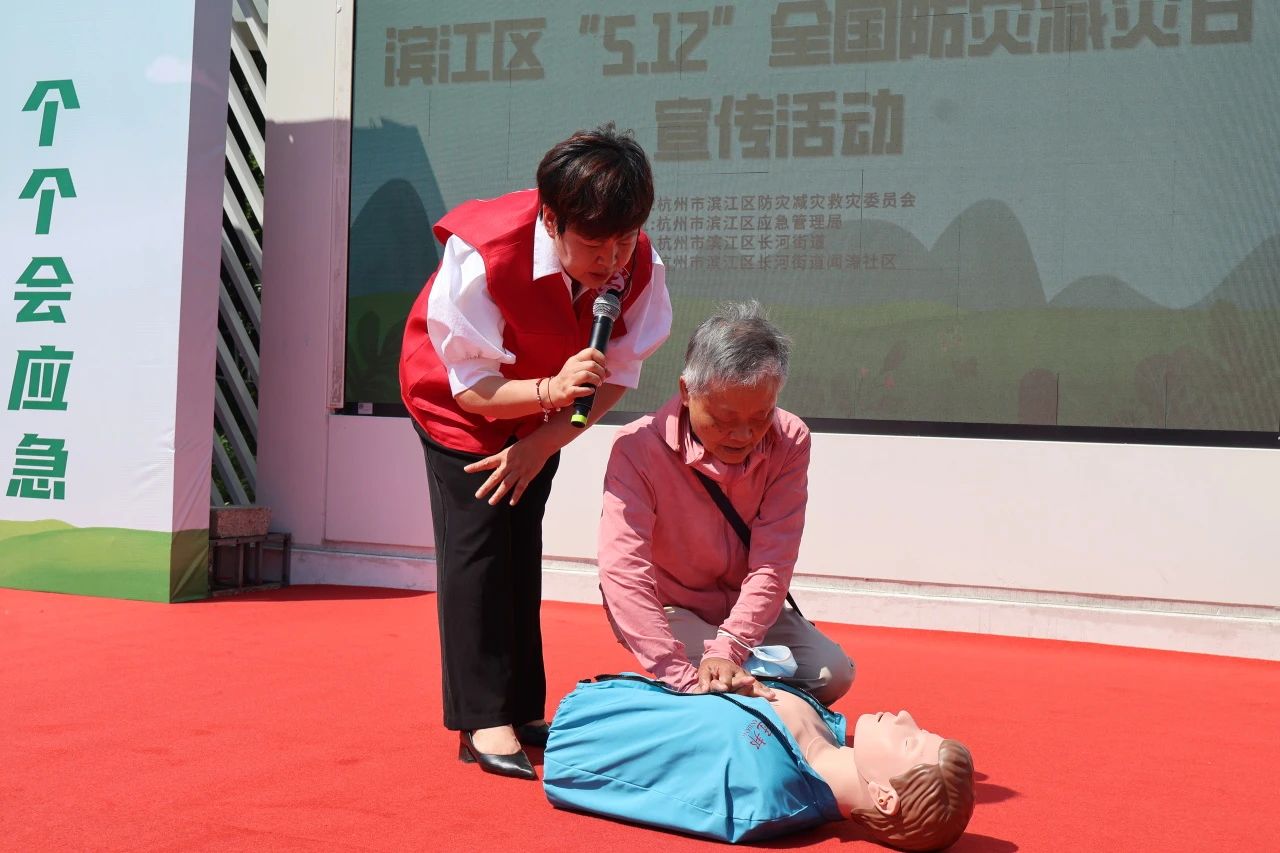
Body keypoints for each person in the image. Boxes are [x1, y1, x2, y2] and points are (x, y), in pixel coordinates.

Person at [399, 123, 672, 780]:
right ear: (552, 220)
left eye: (624, 240)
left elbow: (618, 373)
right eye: (595, 245)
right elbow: (473, 389)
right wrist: (551, 391)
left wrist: (543, 442)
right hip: (458, 404)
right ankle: (479, 719)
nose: (613, 259)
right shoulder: (482, 252)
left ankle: (520, 708)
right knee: (478, 550)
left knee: (520, 544)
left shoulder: (637, 260)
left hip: (541, 414)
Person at [598, 301, 854, 705]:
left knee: (831, 674)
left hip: (743, 610)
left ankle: (734, 694)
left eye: (761, 416)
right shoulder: (637, 447)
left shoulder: (791, 438)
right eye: (724, 419)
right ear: (686, 392)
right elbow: (624, 570)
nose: (743, 435)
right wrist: (680, 674)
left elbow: (773, 562)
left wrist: (730, 647)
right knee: (709, 683)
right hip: (671, 610)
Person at [543, 675, 976, 850]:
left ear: (883, 797)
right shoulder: (826, 730)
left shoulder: (760, 797)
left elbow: (642, 780)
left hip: (583, 725)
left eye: (909, 742)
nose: (905, 717)